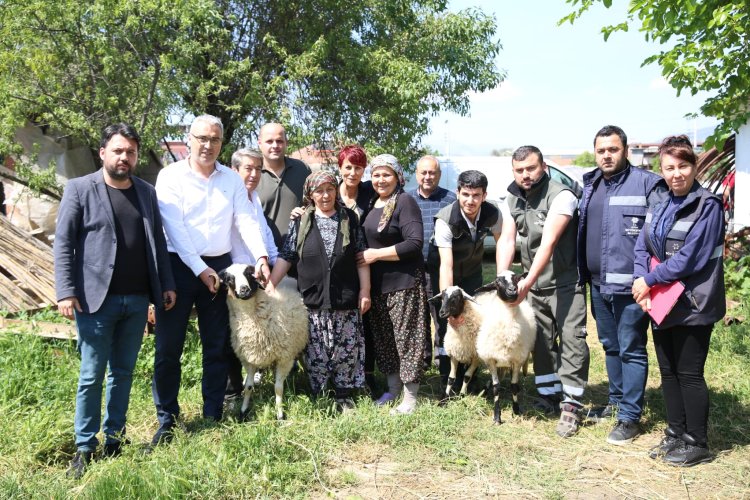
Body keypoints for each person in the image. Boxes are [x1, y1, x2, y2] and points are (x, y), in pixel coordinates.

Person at [54, 123, 176, 478]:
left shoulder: (145, 192)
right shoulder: (79, 189)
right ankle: (84, 447)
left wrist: (165, 285)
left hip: (137, 300)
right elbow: (63, 243)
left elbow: (157, 241)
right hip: (95, 301)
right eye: (118, 150)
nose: (125, 157)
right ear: (103, 152)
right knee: (91, 375)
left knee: (122, 373)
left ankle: (114, 439)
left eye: (131, 152)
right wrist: (65, 290)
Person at [152, 115, 271, 446]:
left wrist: (261, 256)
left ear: (222, 143)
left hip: (220, 265)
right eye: (201, 138)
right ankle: (167, 418)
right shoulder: (169, 176)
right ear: (189, 139)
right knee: (169, 347)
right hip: (178, 267)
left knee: (216, 344)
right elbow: (173, 227)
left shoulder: (231, 180)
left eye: (214, 140)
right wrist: (199, 270)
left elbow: (245, 219)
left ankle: (212, 413)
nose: (207, 145)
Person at [632, 135, 725, 466]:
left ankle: (697, 441)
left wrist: (648, 281)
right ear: (661, 169)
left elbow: (690, 258)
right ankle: (675, 433)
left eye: (683, 166)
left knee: (689, 373)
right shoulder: (660, 203)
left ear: (694, 166)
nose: (676, 174)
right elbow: (642, 246)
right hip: (661, 301)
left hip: (694, 303)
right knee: (668, 372)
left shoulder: (709, 206)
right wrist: (639, 283)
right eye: (669, 168)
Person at [577, 125, 666, 445]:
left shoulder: (647, 184)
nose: (606, 155)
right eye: (601, 150)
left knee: (631, 348)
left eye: (612, 149)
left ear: (625, 150)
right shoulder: (591, 184)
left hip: (632, 287)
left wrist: (649, 279)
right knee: (611, 346)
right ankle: (616, 402)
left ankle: (630, 417)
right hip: (598, 285)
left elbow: (661, 233)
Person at [497, 146, 589, 437]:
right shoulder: (510, 196)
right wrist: (503, 276)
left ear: (543, 167)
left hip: (563, 282)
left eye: (531, 169)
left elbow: (548, 243)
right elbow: (508, 238)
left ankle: (572, 404)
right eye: (519, 170)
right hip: (533, 284)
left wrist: (526, 283)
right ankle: (549, 395)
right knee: (540, 342)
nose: (525, 175)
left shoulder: (561, 195)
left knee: (573, 339)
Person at [269, 170, 371, 411]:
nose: (325, 195)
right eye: (319, 191)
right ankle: (322, 396)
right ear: (310, 194)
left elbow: (360, 257)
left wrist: (365, 290)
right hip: (313, 299)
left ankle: (344, 395)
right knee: (317, 352)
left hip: (344, 299)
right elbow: (287, 256)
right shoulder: (301, 220)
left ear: (336, 191)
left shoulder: (349, 218)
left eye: (329, 189)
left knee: (345, 350)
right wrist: (270, 284)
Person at [359, 154, 428, 415]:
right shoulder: (372, 204)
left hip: (404, 283)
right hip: (377, 286)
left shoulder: (404, 201)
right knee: (386, 340)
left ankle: (410, 397)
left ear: (398, 177)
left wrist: (376, 254)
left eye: (386, 174)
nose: (380, 179)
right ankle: (392, 390)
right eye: (376, 174)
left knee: (407, 340)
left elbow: (414, 242)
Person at [428, 169, 499, 390]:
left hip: (472, 274)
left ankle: (471, 376)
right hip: (443, 273)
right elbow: (446, 266)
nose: (470, 200)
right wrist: (450, 308)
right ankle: (447, 380)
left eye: (476, 195)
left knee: (473, 324)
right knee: (447, 325)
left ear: (484, 195)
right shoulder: (445, 220)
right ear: (458, 192)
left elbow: (504, 242)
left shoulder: (492, 213)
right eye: (466, 194)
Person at [224, 148, 279, 401]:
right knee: (234, 333)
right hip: (236, 275)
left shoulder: (254, 198)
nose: (254, 174)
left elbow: (264, 234)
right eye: (248, 168)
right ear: (234, 170)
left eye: (258, 169)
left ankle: (253, 378)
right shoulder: (227, 197)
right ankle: (231, 391)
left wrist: (273, 263)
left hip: (258, 272)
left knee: (258, 327)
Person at [408, 155, 456, 371]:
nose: (428, 177)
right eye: (423, 172)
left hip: (440, 270)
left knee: (441, 317)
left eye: (432, 173)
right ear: (417, 174)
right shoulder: (406, 199)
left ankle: (444, 361)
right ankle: (424, 361)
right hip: (413, 270)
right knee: (419, 319)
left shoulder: (451, 200)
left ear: (439, 174)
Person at [254, 122, 312, 248]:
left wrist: (305, 212)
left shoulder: (302, 169)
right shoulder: (252, 174)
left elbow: (314, 204)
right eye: (269, 141)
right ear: (259, 143)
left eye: (279, 141)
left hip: (298, 251)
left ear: (286, 142)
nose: (275, 146)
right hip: (262, 253)